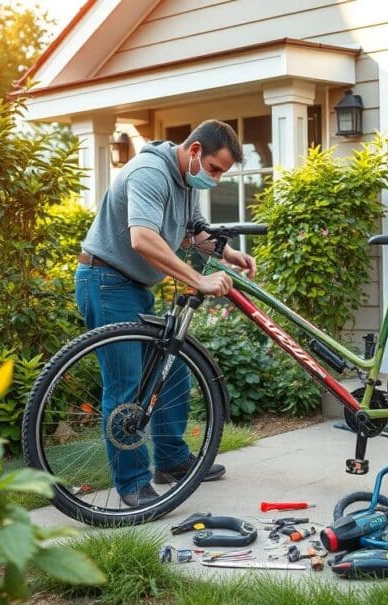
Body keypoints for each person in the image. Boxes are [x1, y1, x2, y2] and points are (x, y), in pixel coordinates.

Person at [75, 119, 255, 507]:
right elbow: (143, 238)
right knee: (125, 388)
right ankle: (133, 485)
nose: (217, 179)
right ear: (194, 152)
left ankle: (172, 461)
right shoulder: (149, 172)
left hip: (133, 286)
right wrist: (199, 280)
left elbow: (193, 232)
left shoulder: (186, 181)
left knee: (171, 371)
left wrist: (229, 255)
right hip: (106, 282)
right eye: (214, 169)